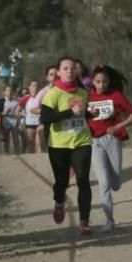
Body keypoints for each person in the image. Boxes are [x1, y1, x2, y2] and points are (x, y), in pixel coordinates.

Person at [41, 56, 93, 235]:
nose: (70, 71)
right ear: (59, 72)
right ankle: (59, 201)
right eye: (65, 68)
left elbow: (82, 116)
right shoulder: (53, 93)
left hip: (82, 141)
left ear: (77, 71)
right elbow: (45, 118)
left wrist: (89, 114)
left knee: (83, 180)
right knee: (62, 182)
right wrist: (68, 112)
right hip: (59, 144)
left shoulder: (83, 92)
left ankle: (85, 220)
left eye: (72, 68)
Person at [87, 64, 132, 232]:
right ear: (92, 82)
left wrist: (117, 128)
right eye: (98, 81)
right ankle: (109, 220)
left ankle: (115, 179)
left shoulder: (116, 95)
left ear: (109, 82)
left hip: (112, 140)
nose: (101, 85)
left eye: (104, 81)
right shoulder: (87, 96)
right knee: (104, 183)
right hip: (95, 141)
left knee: (115, 183)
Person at [0, 85, 21, 154]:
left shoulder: (16, 101)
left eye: (10, 90)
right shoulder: (1, 101)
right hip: (5, 121)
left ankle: (17, 153)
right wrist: (2, 113)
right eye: (7, 90)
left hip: (14, 121)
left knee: (15, 139)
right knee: (6, 139)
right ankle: (6, 154)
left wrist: (16, 114)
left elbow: (19, 111)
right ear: (4, 92)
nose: (9, 92)